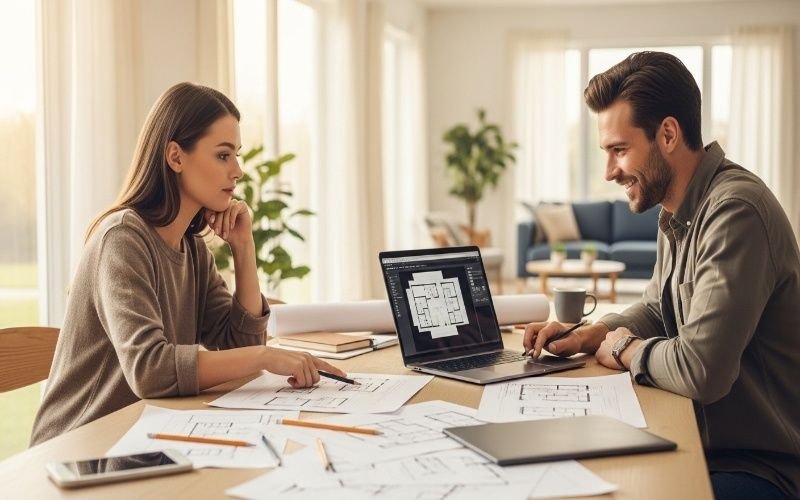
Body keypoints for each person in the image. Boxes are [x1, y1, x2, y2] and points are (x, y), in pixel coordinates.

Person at [523, 52, 800, 499]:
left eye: (619, 150)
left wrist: (627, 348)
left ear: (667, 134)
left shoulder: (735, 212)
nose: (610, 171)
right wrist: (591, 334)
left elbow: (701, 371)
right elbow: (658, 307)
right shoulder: (676, 211)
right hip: (698, 440)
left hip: (756, 468)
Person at [31, 82, 346, 445]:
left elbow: (234, 346)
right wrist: (265, 356)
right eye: (223, 155)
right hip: (77, 445)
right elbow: (150, 369)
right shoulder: (122, 239)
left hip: (142, 435)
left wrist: (244, 248)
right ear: (176, 157)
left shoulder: (192, 247)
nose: (238, 171)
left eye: (236, 155)